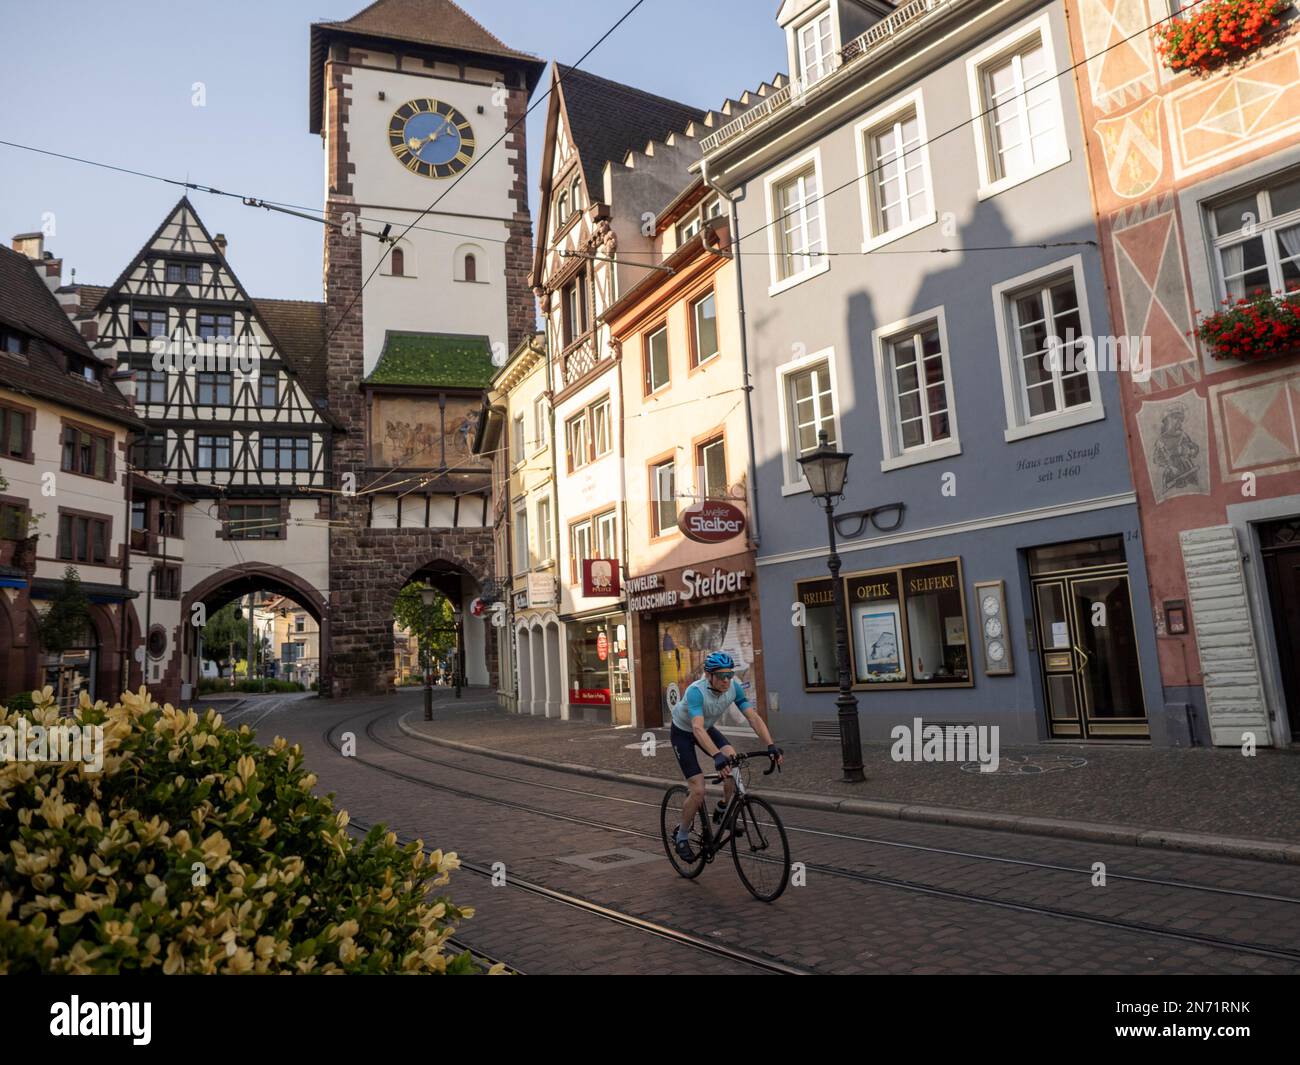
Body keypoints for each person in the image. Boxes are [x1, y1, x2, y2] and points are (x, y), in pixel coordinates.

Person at [670, 651, 783, 861]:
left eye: (729, 675)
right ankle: (682, 836)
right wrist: (715, 755)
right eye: (721, 676)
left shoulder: (734, 687)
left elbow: (753, 718)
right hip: (684, 732)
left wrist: (770, 745)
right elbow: (697, 728)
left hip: (707, 727)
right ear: (708, 675)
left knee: (734, 762)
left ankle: (723, 808)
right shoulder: (696, 691)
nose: (726, 680)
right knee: (698, 789)